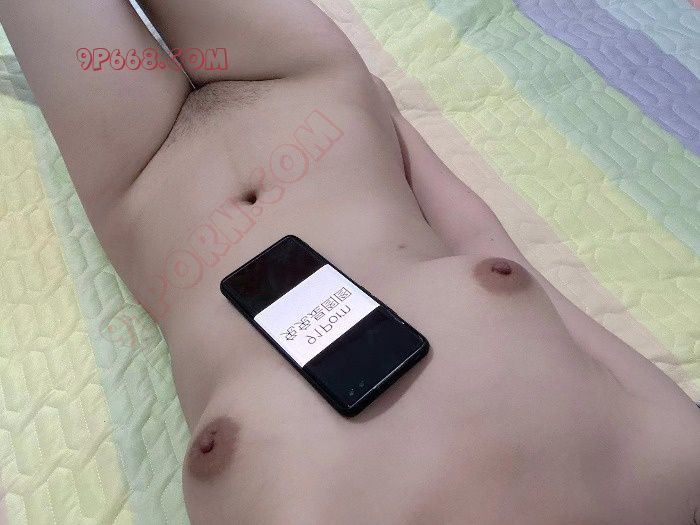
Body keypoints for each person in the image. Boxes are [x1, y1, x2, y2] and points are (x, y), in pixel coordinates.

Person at [2, 1, 698, 523]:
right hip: (308, 86)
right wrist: (384, 114)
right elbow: (490, 245)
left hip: (139, 174)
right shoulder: (676, 466)